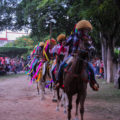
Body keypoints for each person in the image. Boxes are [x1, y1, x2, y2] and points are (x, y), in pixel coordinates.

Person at [55, 20, 99, 91]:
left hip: (84, 58)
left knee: (92, 69)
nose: (86, 31)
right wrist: (64, 43)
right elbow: (66, 43)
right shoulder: (73, 36)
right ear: (81, 30)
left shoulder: (88, 38)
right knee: (61, 66)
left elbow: (91, 47)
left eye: (87, 30)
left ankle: (93, 83)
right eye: (85, 30)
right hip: (73, 56)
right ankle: (58, 82)